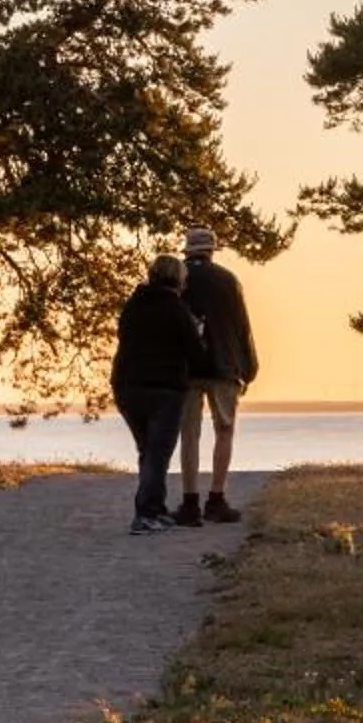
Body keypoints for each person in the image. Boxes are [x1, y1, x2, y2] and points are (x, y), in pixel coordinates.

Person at [109, 253, 207, 535]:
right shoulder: (177, 310)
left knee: (147, 450)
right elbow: (196, 354)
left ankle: (155, 507)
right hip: (164, 389)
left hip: (127, 386)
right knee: (157, 453)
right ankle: (146, 514)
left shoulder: (133, 306)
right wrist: (199, 333)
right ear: (179, 280)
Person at [174, 224, 259, 526]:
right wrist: (249, 367)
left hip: (187, 368)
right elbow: (242, 327)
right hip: (224, 366)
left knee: (189, 435)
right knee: (224, 430)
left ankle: (189, 501)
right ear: (211, 251)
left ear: (188, 250)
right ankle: (216, 497)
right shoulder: (228, 280)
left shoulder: (178, 278)